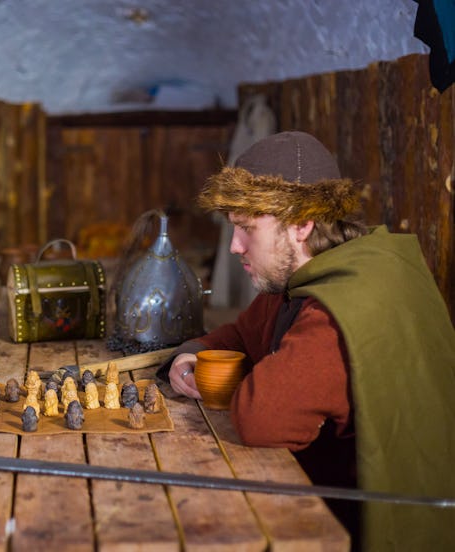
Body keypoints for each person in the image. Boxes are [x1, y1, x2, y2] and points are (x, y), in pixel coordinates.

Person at [158, 131, 455, 551]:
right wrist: (190, 355)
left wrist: (246, 377)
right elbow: (241, 333)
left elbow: (263, 419)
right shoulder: (309, 277)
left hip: (382, 520)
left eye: (246, 230)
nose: (235, 247)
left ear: (301, 224)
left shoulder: (339, 307)